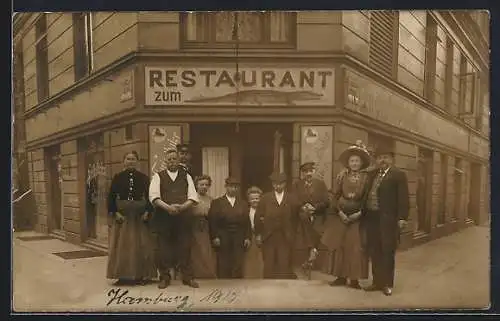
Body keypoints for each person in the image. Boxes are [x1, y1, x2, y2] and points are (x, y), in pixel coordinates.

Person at [322, 141, 371, 289]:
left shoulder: (366, 178)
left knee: (355, 248)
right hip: (341, 217)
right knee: (340, 246)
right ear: (348, 163)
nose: (354, 163)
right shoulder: (341, 176)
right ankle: (340, 277)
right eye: (352, 161)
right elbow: (334, 196)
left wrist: (360, 213)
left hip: (357, 218)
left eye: (357, 161)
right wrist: (340, 212)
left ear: (361, 163)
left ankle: (354, 279)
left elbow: (367, 198)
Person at [149, 148, 200, 289]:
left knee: (185, 247)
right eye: (169, 159)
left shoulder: (186, 176)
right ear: (165, 161)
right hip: (163, 217)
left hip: (183, 217)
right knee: (163, 248)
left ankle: (187, 277)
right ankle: (164, 277)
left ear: (179, 160)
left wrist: (182, 207)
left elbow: (193, 197)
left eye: (174, 159)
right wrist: (168, 208)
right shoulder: (158, 176)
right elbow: (154, 197)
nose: (172, 161)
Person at [363, 144, 409, 296]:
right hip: (372, 218)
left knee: (387, 251)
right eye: (380, 158)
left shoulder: (398, 175)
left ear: (392, 159)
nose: (382, 160)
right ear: (376, 160)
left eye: (386, 158)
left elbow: (404, 198)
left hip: (388, 220)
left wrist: (402, 218)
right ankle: (377, 282)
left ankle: (387, 284)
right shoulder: (373, 174)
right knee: (374, 250)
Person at [106, 151, 156, 285]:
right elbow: (111, 198)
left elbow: (151, 197)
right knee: (122, 247)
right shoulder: (117, 177)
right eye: (128, 159)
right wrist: (115, 213)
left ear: (137, 161)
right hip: (123, 218)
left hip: (139, 218)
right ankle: (122, 276)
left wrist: (147, 212)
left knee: (142, 246)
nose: (131, 161)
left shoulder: (144, 178)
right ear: (124, 161)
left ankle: (141, 276)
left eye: (133, 159)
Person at [254, 172, 298, 279]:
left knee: (284, 263)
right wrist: (259, 234)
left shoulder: (292, 199)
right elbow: (258, 217)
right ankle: (268, 290)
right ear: (272, 184)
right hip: (269, 236)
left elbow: (296, 218)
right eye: (275, 184)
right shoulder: (265, 198)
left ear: (285, 184)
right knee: (269, 263)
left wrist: (292, 233)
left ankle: (283, 291)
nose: (278, 186)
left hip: (285, 236)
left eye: (281, 183)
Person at [208, 177, 251, 279]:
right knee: (223, 261)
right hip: (223, 235)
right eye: (231, 186)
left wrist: (247, 237)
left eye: (236, 187)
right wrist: (215, 237)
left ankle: (237, 285)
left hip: (239, 235)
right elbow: (212, 221)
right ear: (226, 187)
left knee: (238, 261)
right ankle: (223, 284)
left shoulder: (243, 203)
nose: (233, 189)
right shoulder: (217, 202)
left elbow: (247, 222)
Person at [291, 162, 330, 276]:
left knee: (316, 230)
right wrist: (302, 206)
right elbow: (293, 199)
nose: (308, 174)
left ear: (314, 171)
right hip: (303, 216)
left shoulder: (321, 184)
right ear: (302, 173)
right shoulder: (297, 185)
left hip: (318, 215)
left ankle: (312, 253)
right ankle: (312, 252)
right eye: (305, 172)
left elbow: (327, 201)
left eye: (310, 171)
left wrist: (315, 208)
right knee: (304, 223)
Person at [190, 175, 217, 279]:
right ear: (196, 185)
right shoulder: (192, 198)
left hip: (206, 226)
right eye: (201, 184)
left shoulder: (211, 200)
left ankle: (206, 275)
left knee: (206, 251)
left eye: (206, 185)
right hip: (193, 226)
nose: (204, 187)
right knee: (195, 251)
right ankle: (195, 274)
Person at [243, 186, 265, 279]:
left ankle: (260, 278)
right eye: (252, 199)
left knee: (260, 259)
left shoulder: (264, 210)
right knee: (249, 259)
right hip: (249, 237)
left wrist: (261, 235)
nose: (254, 201)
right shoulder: (246, 210)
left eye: (257, 198)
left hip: (261, 238)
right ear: (248, 200)